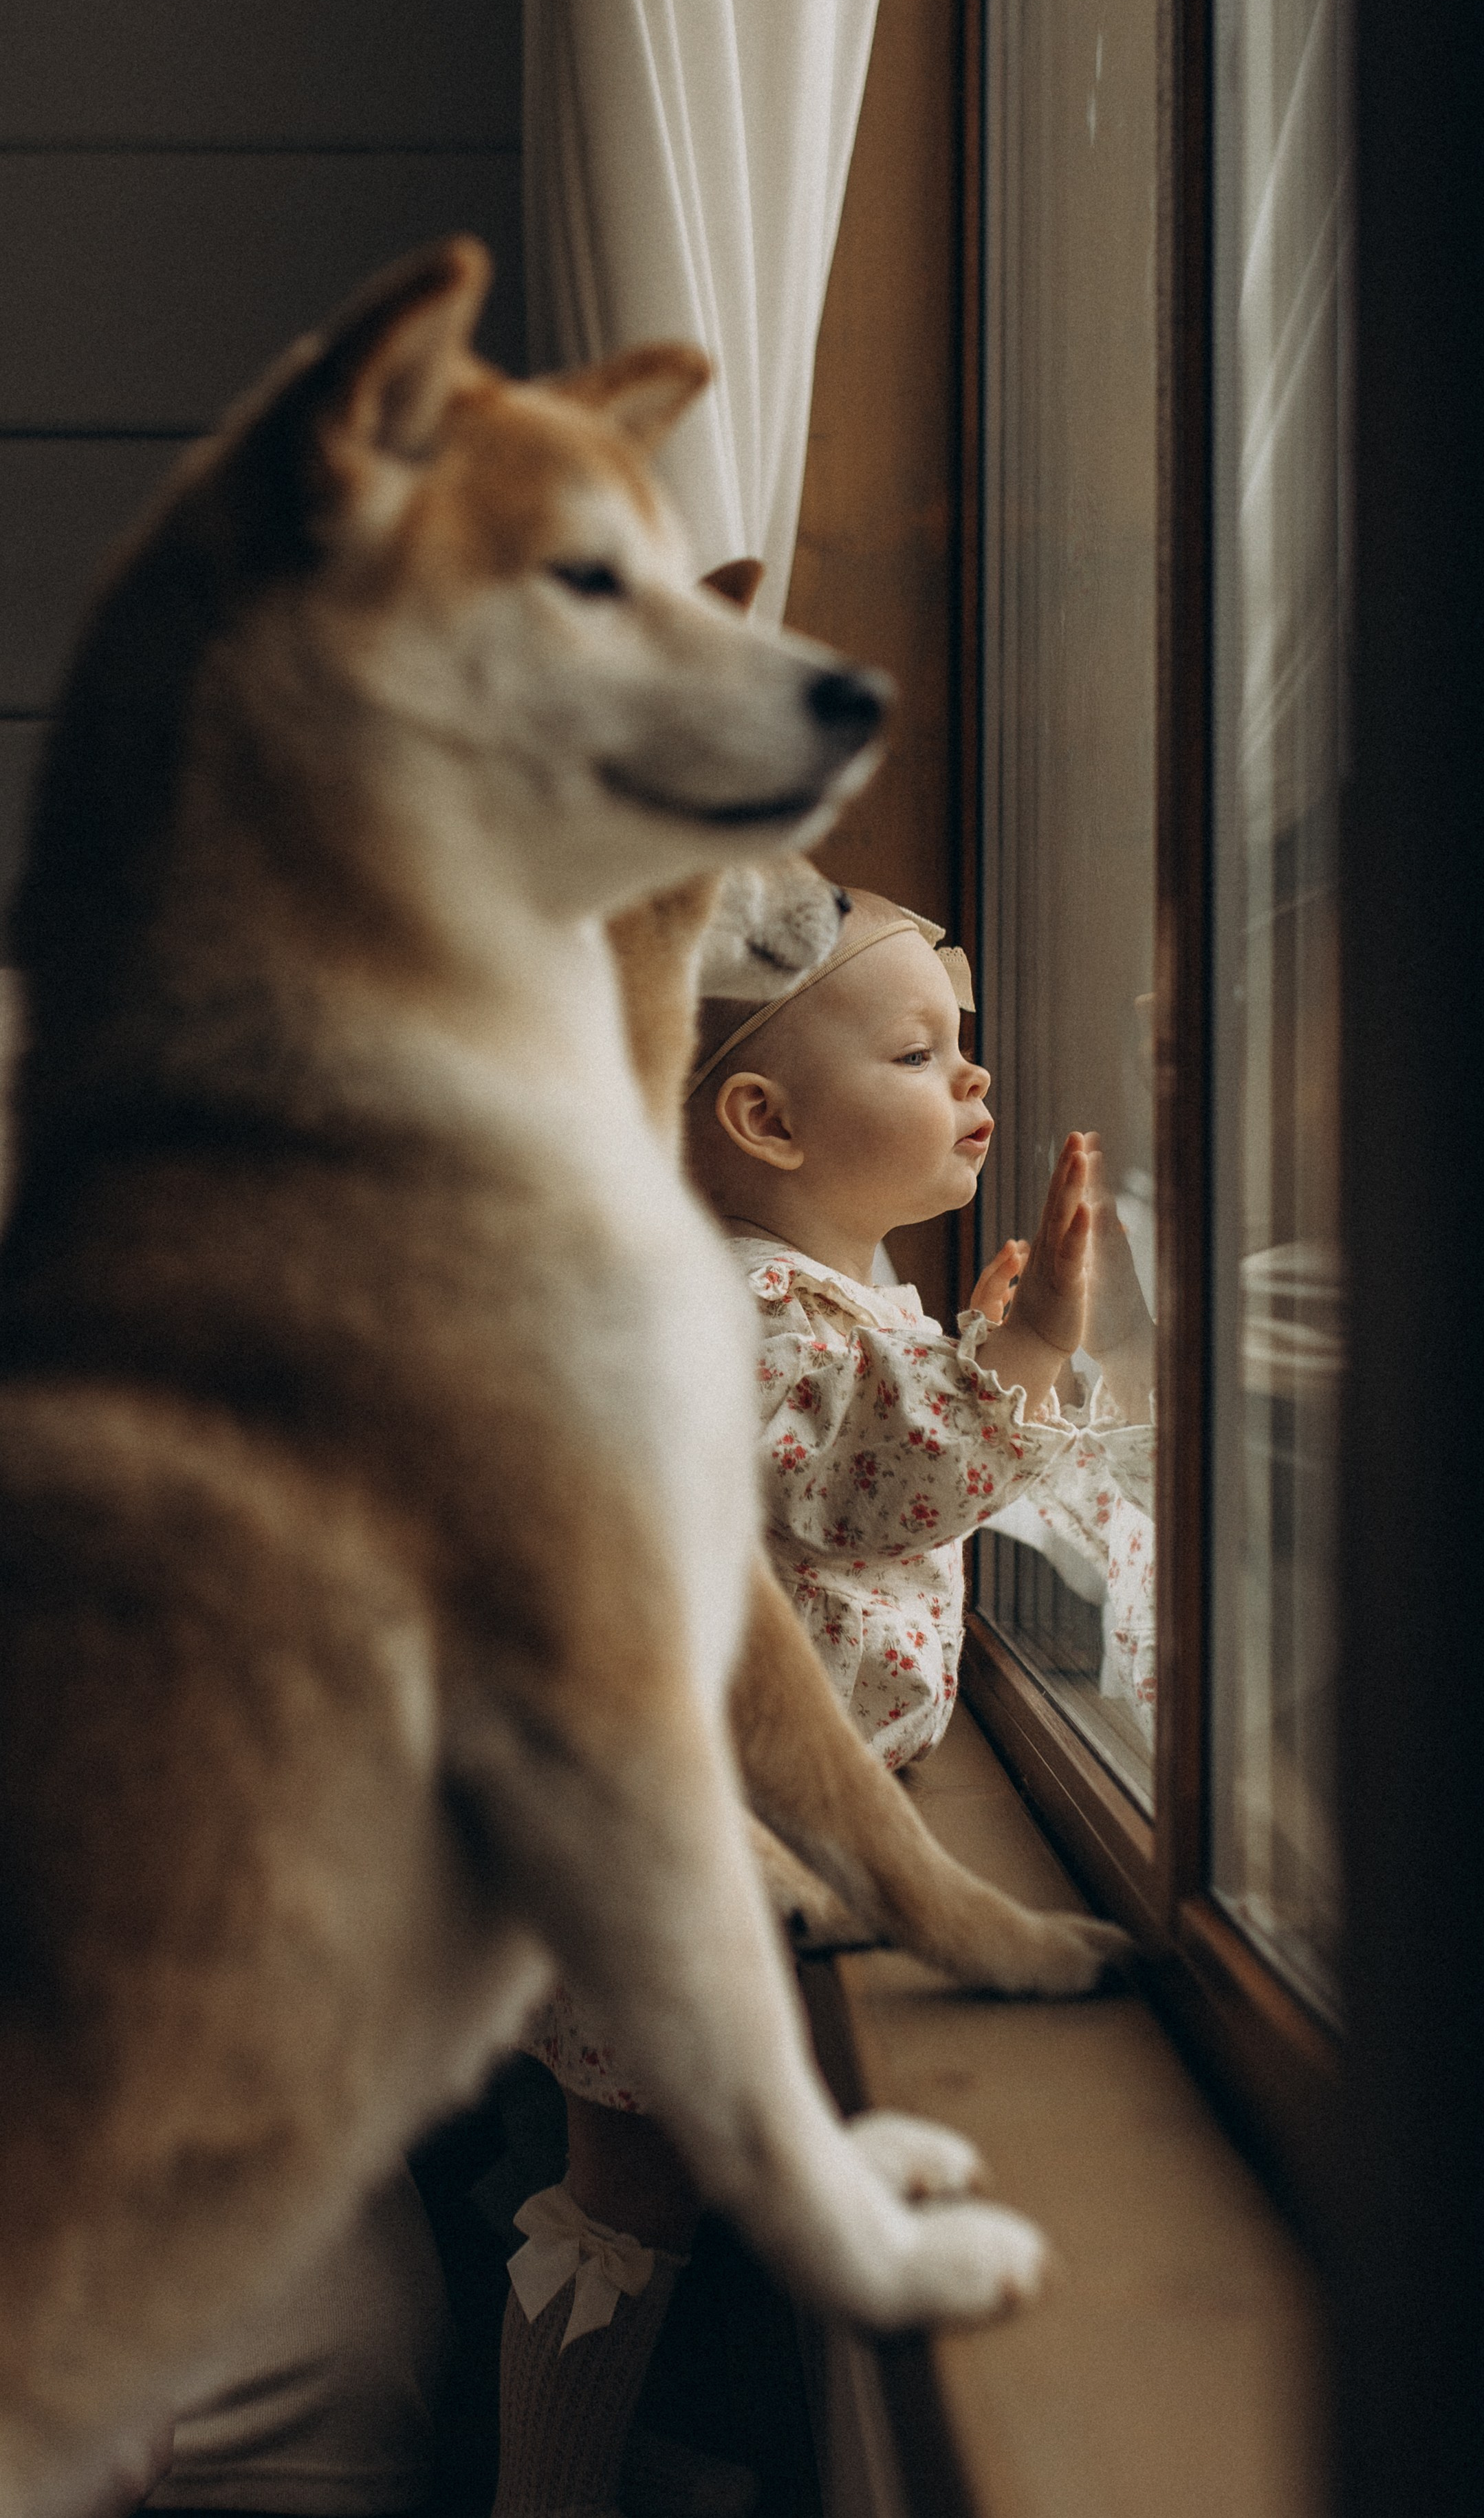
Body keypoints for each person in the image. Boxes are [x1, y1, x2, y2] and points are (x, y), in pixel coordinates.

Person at [497, 892, 1153, 2518]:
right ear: (765, 1117)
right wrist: (1028, 1354)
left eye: (967, 1043)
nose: (975, 1080)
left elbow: (890, 1463)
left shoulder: (814, 1297)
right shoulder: (745, 1304)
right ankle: (541, 2484)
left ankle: (631, 2450)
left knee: (671, 2194)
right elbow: (871, 1489)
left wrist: (985, 1356)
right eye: (923, 1051)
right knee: (627, 2189)